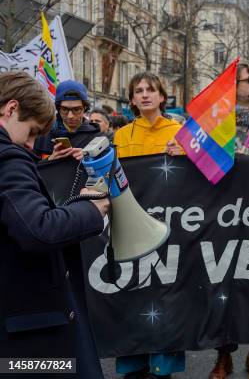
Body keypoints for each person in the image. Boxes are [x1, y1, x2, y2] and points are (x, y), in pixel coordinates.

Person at [0, 71, 110, 378]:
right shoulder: (9, 158)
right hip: (28, 326)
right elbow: (39, 227)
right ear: (11, 109)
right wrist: (93, 209)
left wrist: (42, 164)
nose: (32, 144)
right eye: (33, 132)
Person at [113, 72, 183, 379]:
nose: (144, 95)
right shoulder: (121, 135)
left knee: (167, 296)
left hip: (169, 224)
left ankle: (163, 366)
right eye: (138, 91)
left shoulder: (179, 131)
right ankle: (132, 364)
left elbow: (202, 173)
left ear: (162, 97)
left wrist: (187, 154)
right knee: (131, 293)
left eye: (151, 90)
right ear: (131, 100)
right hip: (130, 225)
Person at [208, 62, 249, 379]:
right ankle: (223, 356)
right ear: (232, 87)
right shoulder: (217, 121)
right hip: (226, 211)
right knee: (225, 284)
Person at [34, 79, 101, 160]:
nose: (70, 116)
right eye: (65, 109)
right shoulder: (42, 135)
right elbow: (30, 168)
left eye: (76, 109)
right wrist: (49, 161)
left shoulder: (96, 138)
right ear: (58, 108)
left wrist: (89, 159)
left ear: (85, 108)